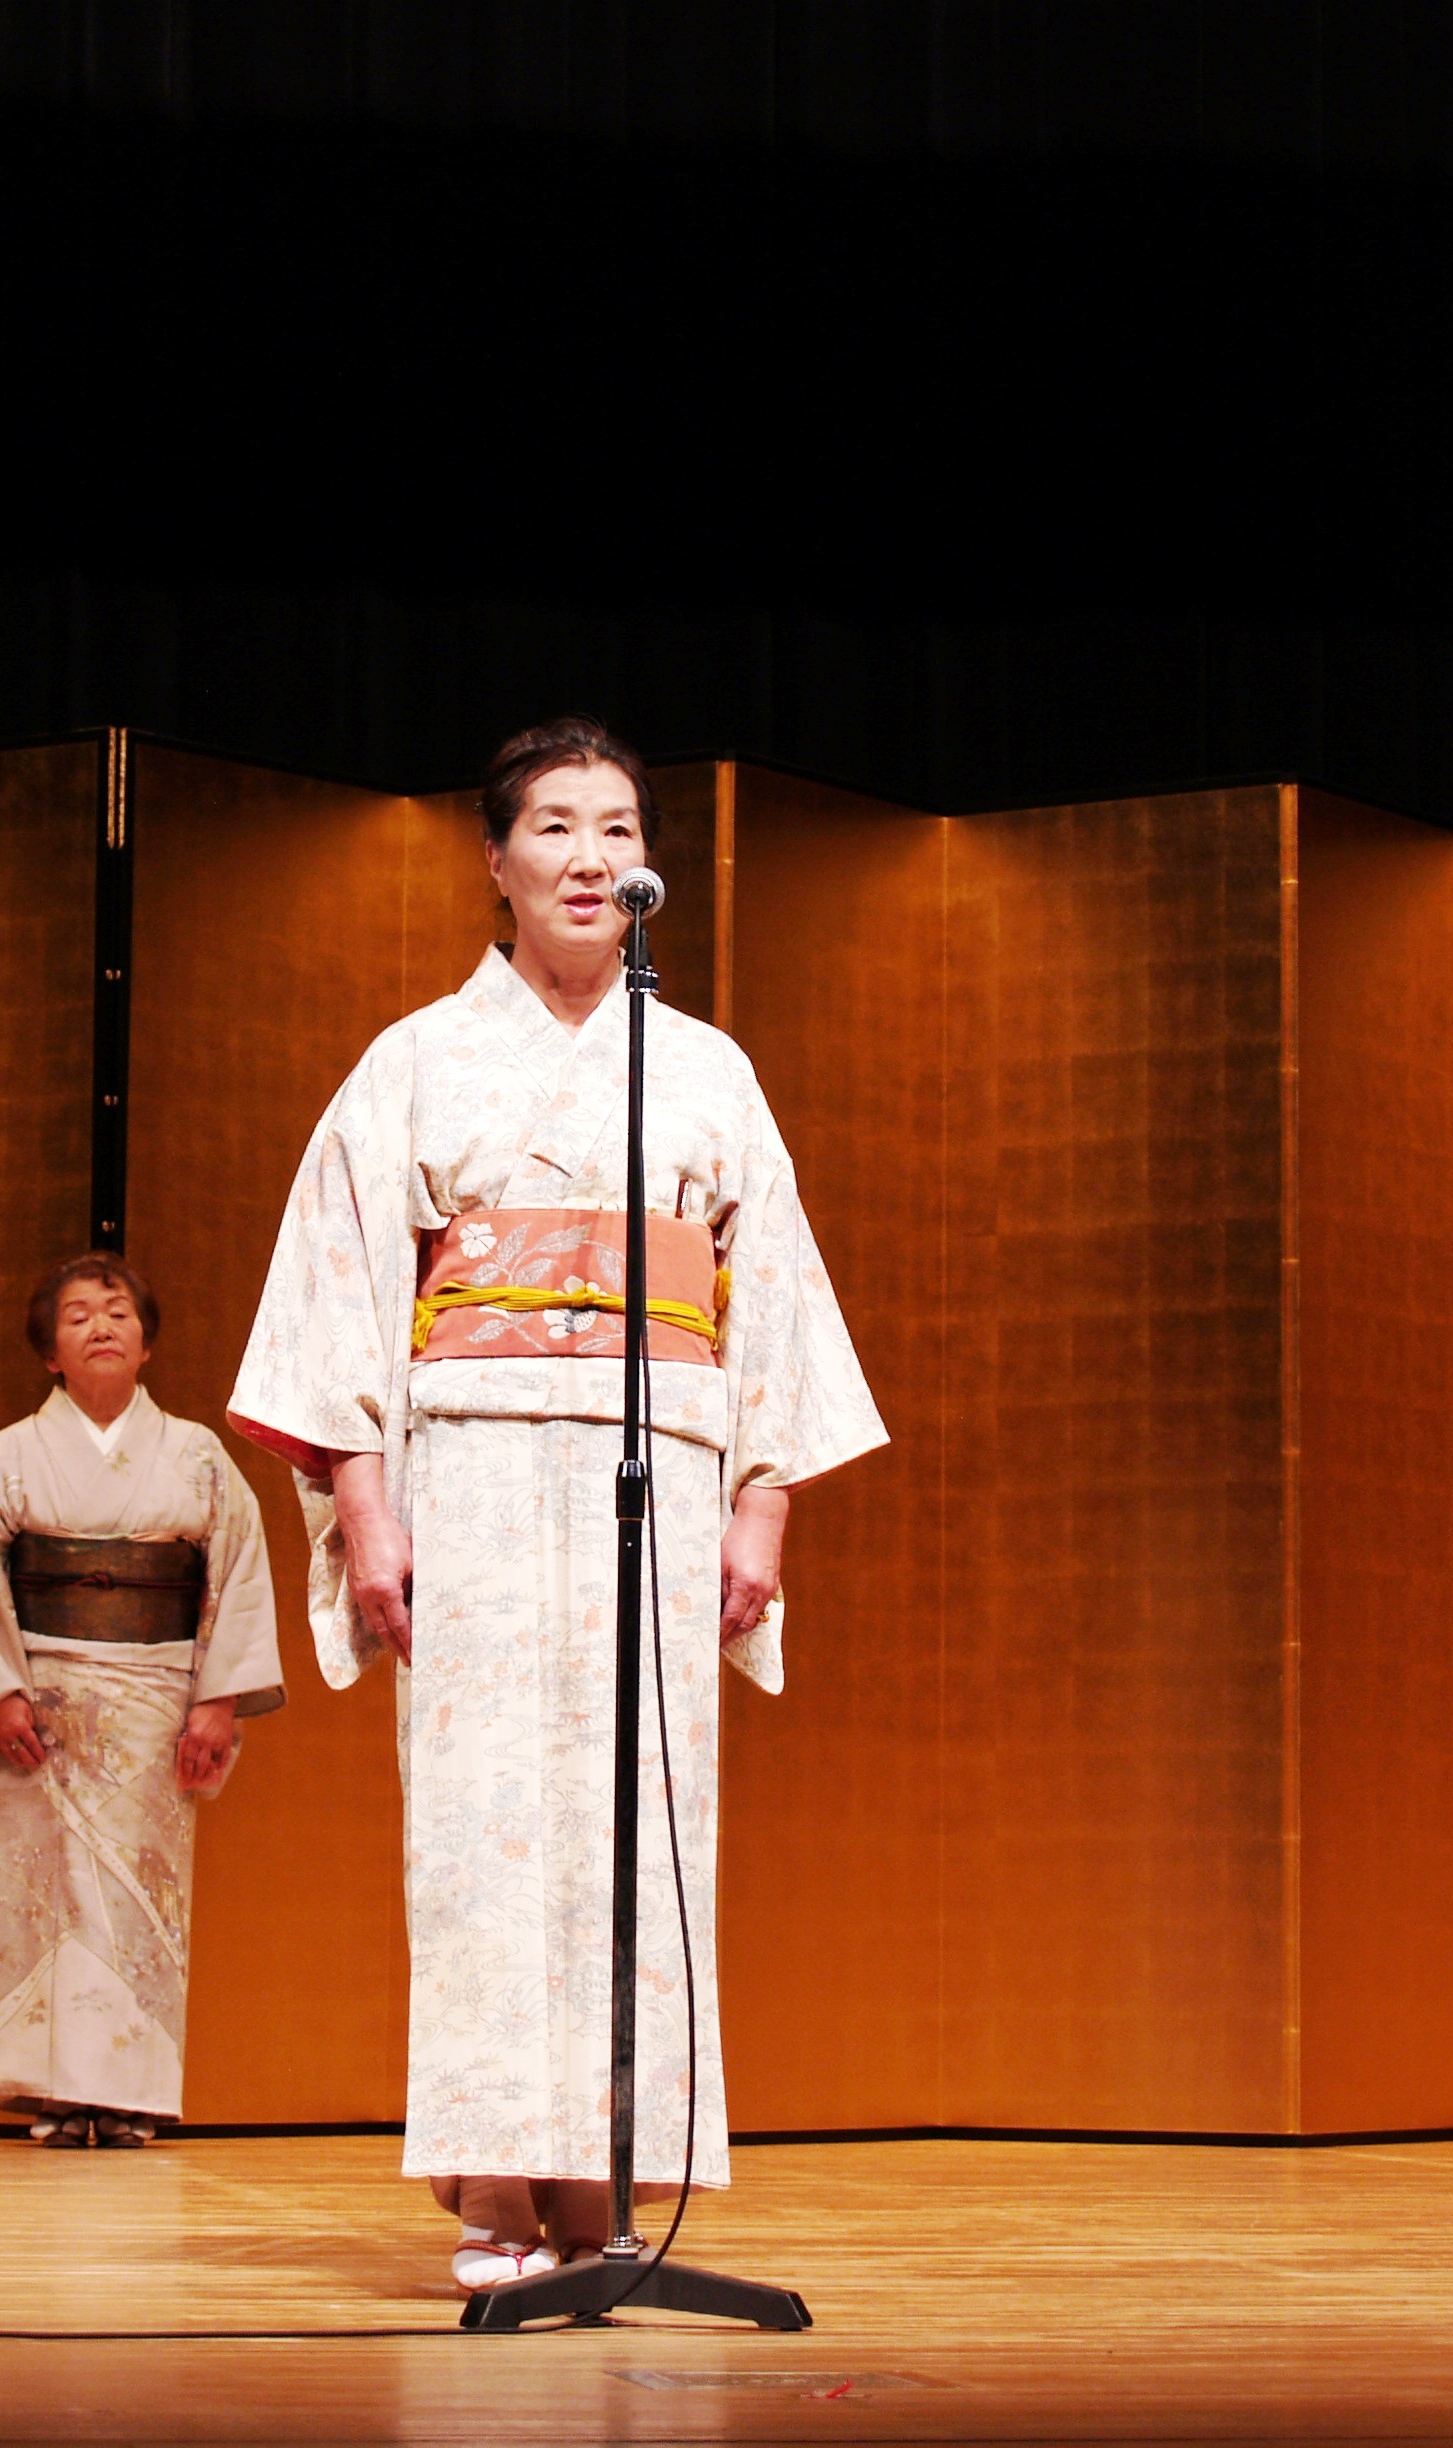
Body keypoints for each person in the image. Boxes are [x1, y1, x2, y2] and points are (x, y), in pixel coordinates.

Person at [228, 716, 885, 2292]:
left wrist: (761, 1512)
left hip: (658, 1474)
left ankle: (605, 2181)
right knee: (482, 1834)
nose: (589, 858)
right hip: (470, 1475)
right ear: (496, 860)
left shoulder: (705, 1068)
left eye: (616, 829)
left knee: (640, 1823)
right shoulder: (415, 1060)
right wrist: (367, 1511)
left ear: (646, 863)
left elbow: (771, 1298)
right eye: (555, 828)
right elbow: (340, 1292)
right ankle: (495, 2192)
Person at [0, 1253, 284, 2147]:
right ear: (50, 1353)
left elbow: (238, 1574)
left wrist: (217, 1703)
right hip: (40, 1704)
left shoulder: (197, 1455)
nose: (101, 1328)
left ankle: (131, 2094)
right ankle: (54, 2091)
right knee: (42, 1892)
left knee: (139, 1897)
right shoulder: (7, 1457)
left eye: (118, 1314)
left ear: (146, 1344)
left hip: (154, 1702)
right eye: (77, 1317)